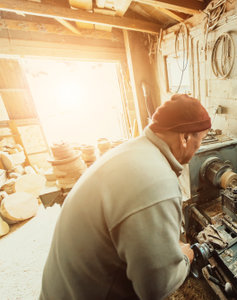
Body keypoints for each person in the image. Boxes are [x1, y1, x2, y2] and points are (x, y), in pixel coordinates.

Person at [40, 94, 211, 300]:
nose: (198, 149)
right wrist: (186, 256)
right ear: (184, 138)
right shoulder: (157, 182)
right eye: (199, 141)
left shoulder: (132, 151)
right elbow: (157, 287)